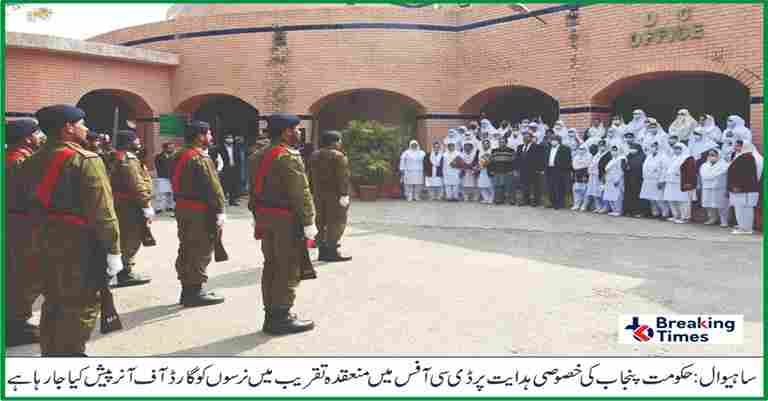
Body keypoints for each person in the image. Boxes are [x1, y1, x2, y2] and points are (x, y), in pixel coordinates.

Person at [26, 105, 122, 356]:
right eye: (81, 123)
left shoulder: (32, 159)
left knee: (54, 299)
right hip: (80, 244)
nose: (86, 128)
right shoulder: (86, 159)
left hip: (44, 238)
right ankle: (70, 356)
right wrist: (114, 251)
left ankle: (52, 353)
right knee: (82, 302)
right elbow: (103, 212)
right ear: (68, 128)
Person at [249, 113, 316, 334]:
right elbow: (301, 193)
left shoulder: (258, 155)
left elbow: (253, 190)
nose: (299, 132)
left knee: (271, 265)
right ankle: (281, 317)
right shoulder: (288, 156)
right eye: (296, 129)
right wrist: (309, 221)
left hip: (266, 216)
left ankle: (272, 313)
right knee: (287, 266)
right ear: (286, 131)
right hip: (285, 219)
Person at [172, 120, 227, 307]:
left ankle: (188, 288)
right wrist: (220, 210)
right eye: (209, 133)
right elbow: (213, 187)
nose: (210, 137)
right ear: (200, 136)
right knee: (200, 248)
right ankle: (195, 291)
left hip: (182, 207)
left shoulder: (179, 155)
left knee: (187, 246)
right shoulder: (200, 157)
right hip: (199, 210)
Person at [5, 119, 46, 346]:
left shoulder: (14, 158)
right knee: (24, 273)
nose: (41, 136)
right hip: (21, 224)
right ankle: (15, 325)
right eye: (37, 133)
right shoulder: (19, 161)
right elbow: (31, 195)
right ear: (26, 137)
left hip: (16, 220)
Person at [109, 130, 154, 288]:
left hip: (123, 204)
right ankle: (124, 273)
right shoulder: (128, 159)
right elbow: (136, 185)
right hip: (129, 206)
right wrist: (146, 205)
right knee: (131, 238)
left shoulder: (117, 156)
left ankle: (122, 270)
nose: (139, 142)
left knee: (125, 237)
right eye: (136, 140)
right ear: (128, 142)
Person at [310, 130, 352, 262]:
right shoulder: (339, 156)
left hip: (318, 194)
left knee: (320, 221)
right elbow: (343, 177)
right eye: (339, 140)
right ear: (334, 142)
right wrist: (344, 194)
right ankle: (332, 251)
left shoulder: (314, 155)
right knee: (337, 222)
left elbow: (309, 175)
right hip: (335, 195)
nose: (340, 143)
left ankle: (322, 250)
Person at [727, 140, 763, 234]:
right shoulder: (740, 156)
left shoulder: (747, 157)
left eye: (739, 146)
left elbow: (746, 175)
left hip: (744, 189)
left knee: (745, 209)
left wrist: (738, 186)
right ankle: (742, 226)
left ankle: (746, 228)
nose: (736, 148)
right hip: (738, 189)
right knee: (740, 209)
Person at [663, 143, 697, 224]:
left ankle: (685, 217)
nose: (676, 150)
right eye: (675, 148)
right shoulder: (673, 157)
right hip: (671, 182)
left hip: (682, 183)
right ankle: (676, 215)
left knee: (683, 201)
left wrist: (688, 183)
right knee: (672, 199)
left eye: (678, 148)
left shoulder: (688, 158)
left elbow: (690, 172)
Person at [640, 141, 671, 219]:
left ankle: (665, 213)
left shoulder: (663, 156)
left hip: (658, 180)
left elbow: (665, 169)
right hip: (648, 180)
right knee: (651, 199)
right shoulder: (649, 156)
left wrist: (661, 180)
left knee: (659, 199)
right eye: (652, 146)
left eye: (655, 146)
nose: (653, 148)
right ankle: (655, 213)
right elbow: (645, 168)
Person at [700, 148, 730, 227]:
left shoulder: (725, 165)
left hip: (719, 188)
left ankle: (724, 221)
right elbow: (704, 175)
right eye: (710, 155)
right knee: (708, 205)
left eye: (713, 155)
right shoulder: (704, 165)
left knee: (722, 205)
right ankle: (712, 219)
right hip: (707, 187)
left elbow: (718, 174)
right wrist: (710, 176)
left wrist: (710, 176)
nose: (711, 156)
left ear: (718, 155)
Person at [488, 137, 520, 205]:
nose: (501, 143)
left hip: (508, 171)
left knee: (510, 187)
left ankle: (511, 200)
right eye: (500, 142)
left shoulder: (511, 151)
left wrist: (513, 170)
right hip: (497, 171)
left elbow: (514, 162)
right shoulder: (494, 151)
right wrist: (491, 170)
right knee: (498, 186)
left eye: (503, 142)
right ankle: (499, 200)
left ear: (506, 143)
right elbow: (491, 162)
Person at [544, 135, 572, 210]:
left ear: (558, 140)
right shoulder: (549, 148)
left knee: (559, 187)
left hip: (559, 170)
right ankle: (552, 202)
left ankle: (559, 203)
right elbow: (546, 158)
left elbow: (567, 160)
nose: (553, 141)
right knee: (550, 186)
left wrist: (563, 169)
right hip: (550, 169)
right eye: (552, 140)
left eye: (554, 140)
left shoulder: (565, 148)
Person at [517, 132, 544, 206]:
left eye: (527, 137)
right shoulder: (520, 147)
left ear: (531, 138)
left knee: (535, 187)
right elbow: (517, 159)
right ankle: (525, 201)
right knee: (524, 186)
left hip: (533, 170)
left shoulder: (536, 146)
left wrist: (540, 169)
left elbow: (540, 159)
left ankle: (535, 201)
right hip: (523, 170)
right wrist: (517, 169)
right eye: (524, 137)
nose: (525, 138)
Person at [218, 133, 244, 206]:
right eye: (228, 138)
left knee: (234, 185)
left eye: (231, 138)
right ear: (225, 139)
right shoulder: (220, 148)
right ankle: (222, 200)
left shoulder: (236, 147)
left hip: (234, 168)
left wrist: (238, 168)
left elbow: (239, 158)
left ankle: (233, 200)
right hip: (225, 168)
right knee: (224, 184)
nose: (230, 139)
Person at [623, 143, 648, 217]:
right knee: (629, 195)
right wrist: (625, 167)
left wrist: (631, 167)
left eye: (634, 148)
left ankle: (639, 212)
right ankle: (629, 211)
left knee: (637, 195)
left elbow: (641, 166)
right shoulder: (628, 156)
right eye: (631, 148)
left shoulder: (643, 156)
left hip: (638, 179)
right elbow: (623, 164)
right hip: (629, 179)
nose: (632, 150)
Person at [603, 144, 627, 217]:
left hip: (617, 180)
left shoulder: (621, 159)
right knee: (610, 195)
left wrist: (617, 180)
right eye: (612, 150)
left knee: (618, 196)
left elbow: (621, 171)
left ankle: (618, 210)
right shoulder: (611, 160)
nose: (613, 152)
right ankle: (614, 210)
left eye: (615, 150)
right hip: (609, 180)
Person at [154, 142, 176, 213]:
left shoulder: (175, 156)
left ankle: (170, 207)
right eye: (169, 147)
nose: (171, 149)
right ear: (164, 148)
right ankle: (159, 208)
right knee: (161, 194)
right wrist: (163, 174)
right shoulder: (158, 156)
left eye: (172, 147)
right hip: (162, 177)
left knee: (171, 194)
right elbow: (158, 167)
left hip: (172, 177)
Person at [571, 144, 591, 211]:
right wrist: (582, 165)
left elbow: (588, 164)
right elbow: (574, 166)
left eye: (582, 149)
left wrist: (580, 165)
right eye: (580, 149)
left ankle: (584, 205)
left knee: (585, 191)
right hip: (577, 175)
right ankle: (576, 205)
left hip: (585, 175)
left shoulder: (589, 156)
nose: (581, 150)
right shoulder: (576, 157)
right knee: (576, 191)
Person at [477, 139, 495, 204]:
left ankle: (491, 198)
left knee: (490, 186)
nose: (485, 145)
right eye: (484, 144)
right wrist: (478, 166)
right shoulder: (479, 152)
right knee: (481, 185)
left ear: (489, 144)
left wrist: (487, 163)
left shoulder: (492, 151)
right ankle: (486, 198)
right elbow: (478, 160)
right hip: (481, 170)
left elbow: (493, 161)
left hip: (489, 170)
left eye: (487, 143)